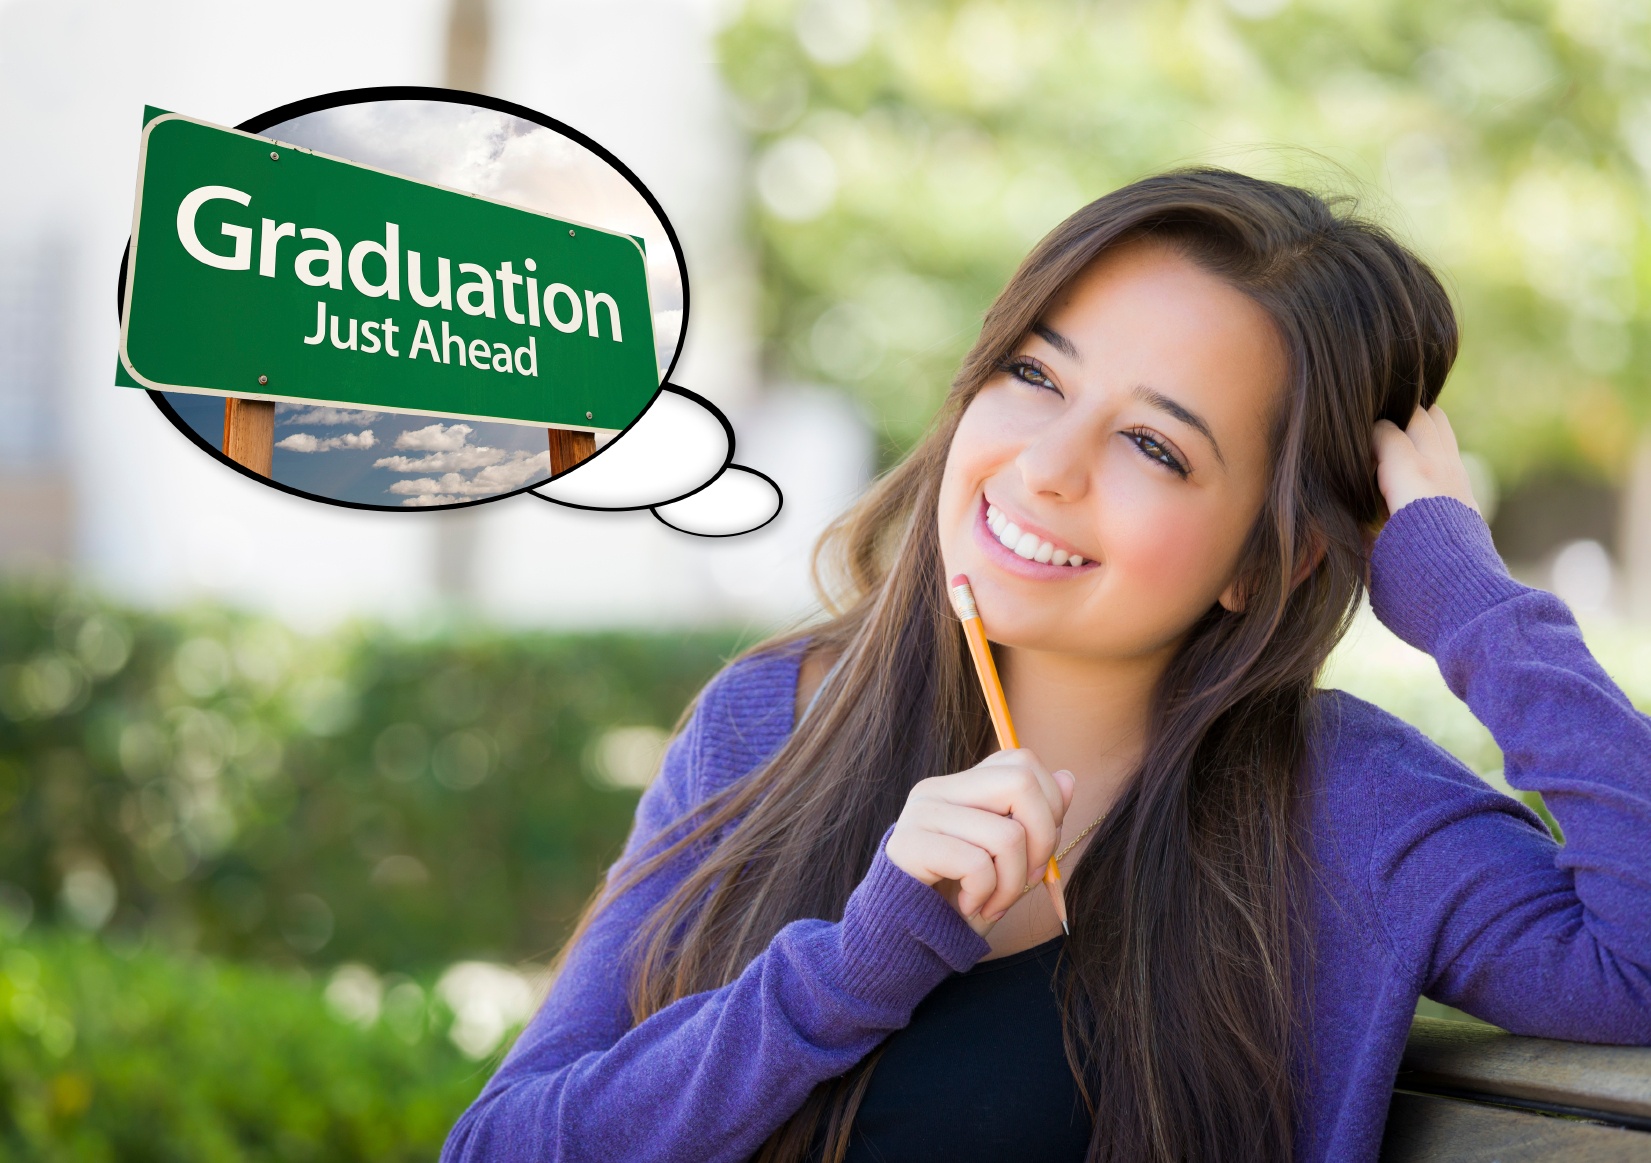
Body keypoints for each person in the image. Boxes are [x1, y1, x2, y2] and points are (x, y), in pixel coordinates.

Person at [439, 169, 1651, 1163]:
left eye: (1152, 445)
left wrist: (1471, 603)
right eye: (1034, 374)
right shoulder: (769, 720)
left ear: (1264, 561)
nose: (1045, 466)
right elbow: (498, 1147)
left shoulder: (1342, 805)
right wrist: (850, 969)